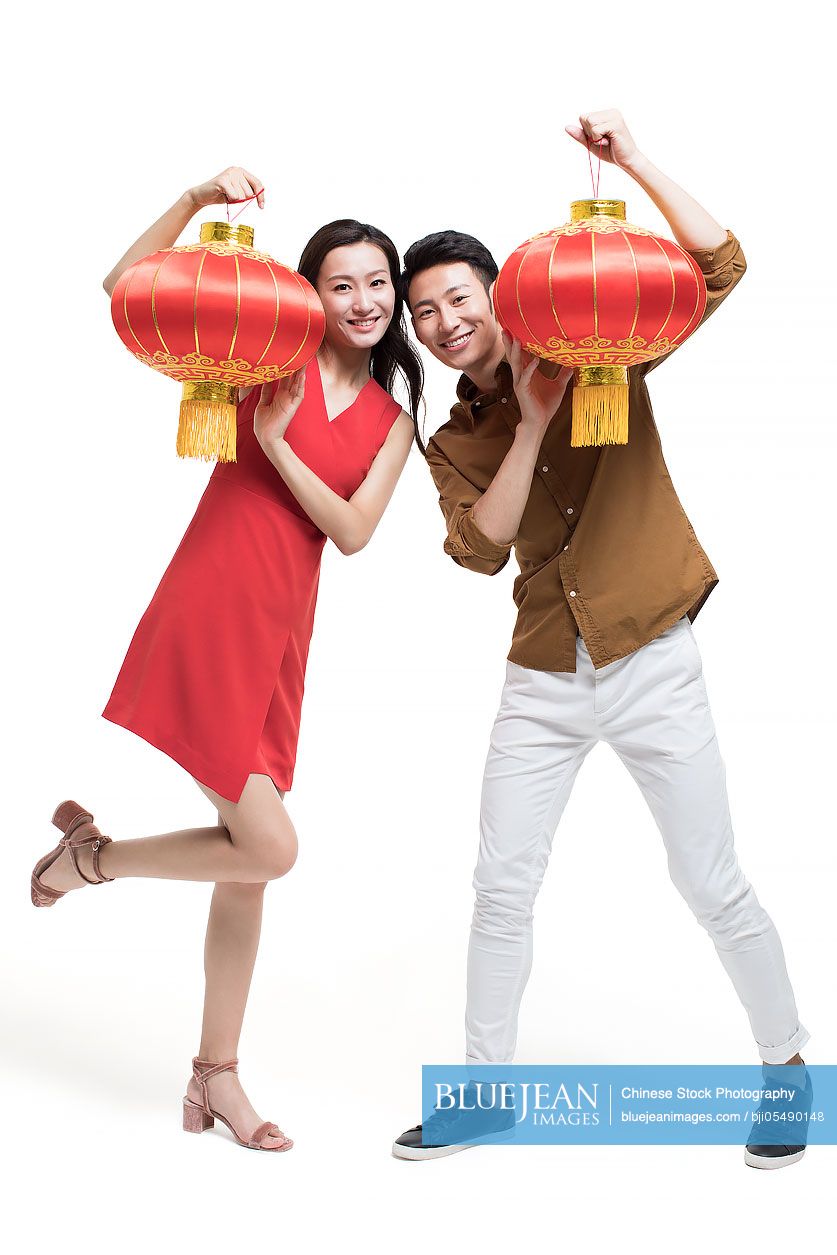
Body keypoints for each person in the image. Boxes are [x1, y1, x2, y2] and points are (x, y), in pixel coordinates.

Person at [392, 111, 810, 1169]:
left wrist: (629, 162)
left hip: (653, 657)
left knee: (711, 879)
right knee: (502, 886)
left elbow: (721, 264)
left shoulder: (598, 344)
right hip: (542, 677)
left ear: (497, 294)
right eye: (422, 310)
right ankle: (485, 1094)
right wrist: (530, 423)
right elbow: (480, 550)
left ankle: (786, 1070)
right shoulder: (452, 440)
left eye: (457, 298)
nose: (443, 320)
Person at [31, 165, 422, 1154]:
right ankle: (92, 861)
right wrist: (198, 198)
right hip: (209, 610)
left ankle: (216, 1078)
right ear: (308, 293)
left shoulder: (395, 419)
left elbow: (353, 531)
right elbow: (129, 286)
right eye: (343, 283)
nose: (366, 300)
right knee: (271, 846)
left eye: (379, 281)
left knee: (247, 869)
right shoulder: (265, 357)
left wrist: (282, 448)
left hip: (282, 637)